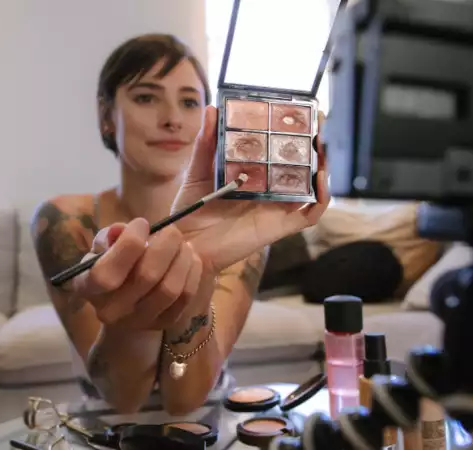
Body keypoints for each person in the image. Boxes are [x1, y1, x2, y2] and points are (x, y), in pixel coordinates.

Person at [30, 33, 330, 416]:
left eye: (189, 102)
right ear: (106, 116)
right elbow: (122, 397)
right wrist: (132, 317)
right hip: (104, 426)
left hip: (208, 422)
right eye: (146, 97)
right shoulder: (65, 221)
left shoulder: (237, 230)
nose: (172, 119)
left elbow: (185, 398)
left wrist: (199, 267)